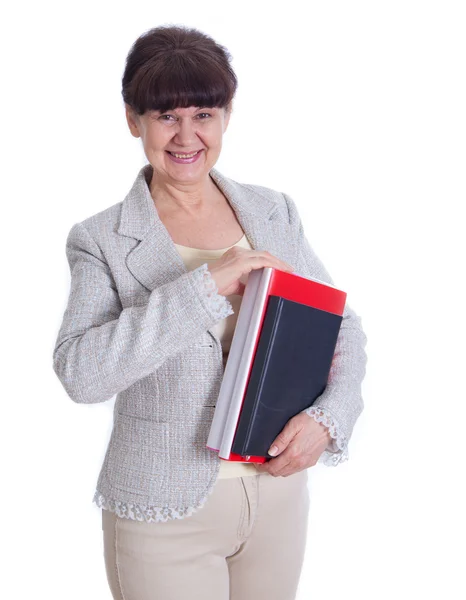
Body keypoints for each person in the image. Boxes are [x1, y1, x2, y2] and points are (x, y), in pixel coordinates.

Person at [52, 24, 368, 600]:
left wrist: (329, 420)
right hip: (161, 515)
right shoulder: (100, 239)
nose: (186, 135)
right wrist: (203, 288)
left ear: (226, 116)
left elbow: (338, 325)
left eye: (204, 113)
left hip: (276, 497)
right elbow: (81, 372)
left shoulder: (273, 212)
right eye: (166, 116)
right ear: (133, 120)